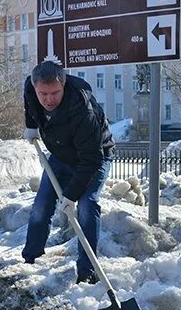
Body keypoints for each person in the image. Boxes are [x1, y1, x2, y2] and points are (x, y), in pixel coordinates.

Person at [21, 61, 115, 285]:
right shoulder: (30, 89)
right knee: (41, 206)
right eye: (43, 93)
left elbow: (92, 160)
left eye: (55, 93)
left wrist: (71, 195)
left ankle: (87, 271)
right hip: (60, 157)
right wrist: (31, 125)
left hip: (94, 157)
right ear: (35, 88)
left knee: (86, 205)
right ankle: (30, 258)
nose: (48, 99)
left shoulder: (83, 110)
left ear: (63, 85)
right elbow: (30, 104)